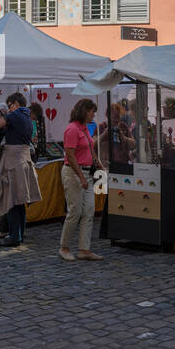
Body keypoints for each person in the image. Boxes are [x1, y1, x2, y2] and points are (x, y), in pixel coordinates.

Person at [0, 92, 41, 247]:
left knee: (12, 200)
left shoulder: (15, 115)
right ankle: (19, 234)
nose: (9, 108)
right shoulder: (27, 117)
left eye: (10, 105)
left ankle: (14, 236)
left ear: (16, 103)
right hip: (22, 161)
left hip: (13, 163)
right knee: (19, 201)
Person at [60, 99, 101, 262]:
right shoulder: (72, 129)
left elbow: (90, 150)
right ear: (84, 111)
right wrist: (82, 177)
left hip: (87, 173)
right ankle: (64, 247)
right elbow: (70, 156)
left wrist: (99, 165)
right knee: (75, 211)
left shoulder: (84, 129)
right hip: (74, 174)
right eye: (91, 111)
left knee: (89, 211)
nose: (93, 114)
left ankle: (84, 249)